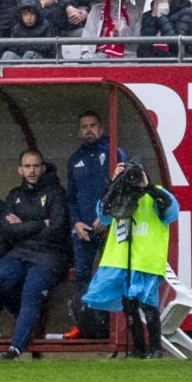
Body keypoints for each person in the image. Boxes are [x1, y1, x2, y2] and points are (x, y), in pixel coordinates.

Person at [79, 161, 176, 358]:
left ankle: (156, 349)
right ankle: (139, 349)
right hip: (122, 261)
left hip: (147, 260)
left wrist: (147, 187)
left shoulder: (156, 193)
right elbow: (103, 215)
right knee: (129, 306)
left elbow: (171, 212)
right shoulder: (118, 194)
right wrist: (113, 184)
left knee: (149, 305)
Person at [0, 149, 69, 360]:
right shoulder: (15, 195)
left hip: (48, 255)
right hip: (21, 252)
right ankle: (26, 321)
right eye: (27, 166)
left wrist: (22, 227)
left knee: (31, 293)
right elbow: (5, 227)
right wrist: (41, 223)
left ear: (42, 167)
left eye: (35, 166)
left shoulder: (55, 192)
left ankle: (15, 348)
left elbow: (57, 228)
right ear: (20, 170)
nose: (31, 170)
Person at [64, 110, 122, 310]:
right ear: (79, 132)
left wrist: (108, 218)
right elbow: (70, 197)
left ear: (101, 128)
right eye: (84, 127)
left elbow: (122, 192)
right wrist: (76, 222)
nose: (89, 130)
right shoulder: (74, 160)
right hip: (83, 230)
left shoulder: (115, 153)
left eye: (93, 126)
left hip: (110, 228)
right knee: (81, 275)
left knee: (111, 273)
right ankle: (84, 321)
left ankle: (109, 324)